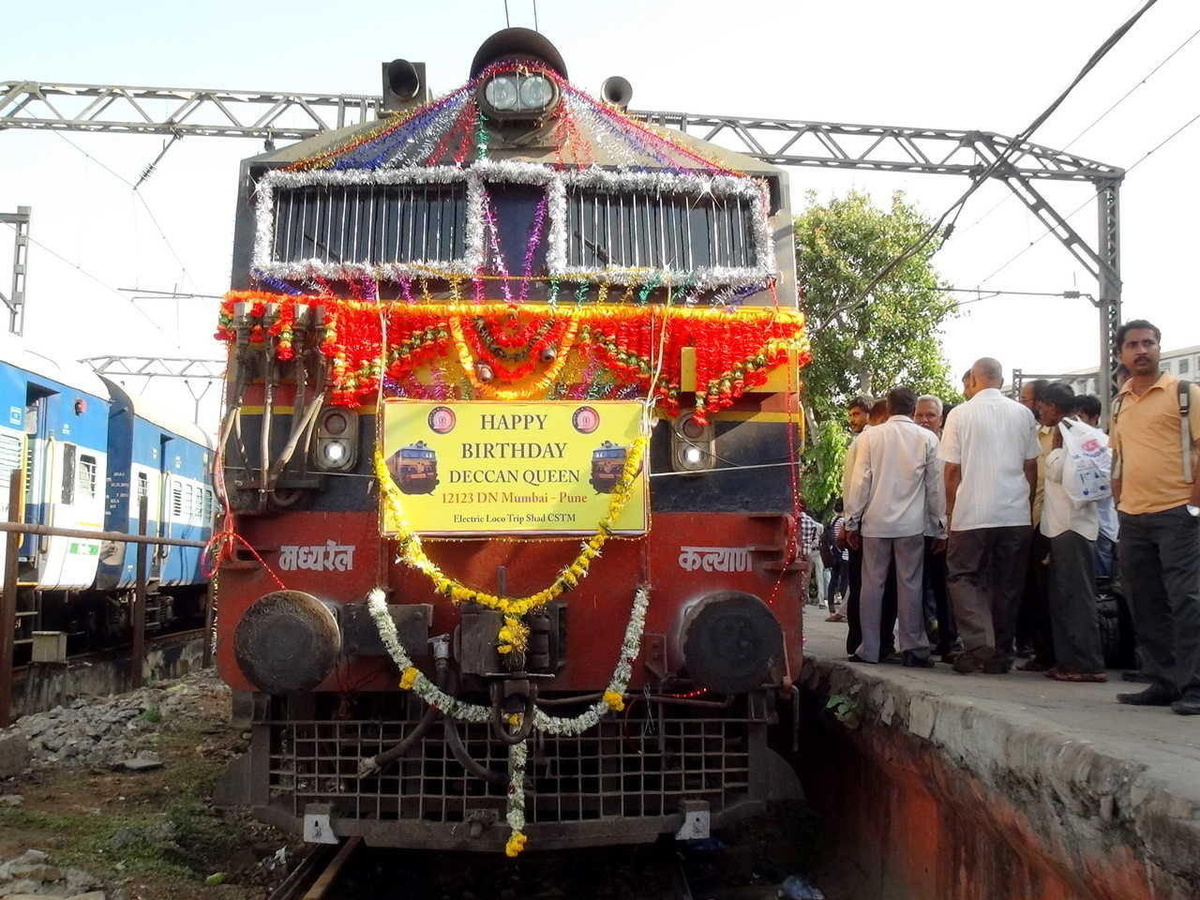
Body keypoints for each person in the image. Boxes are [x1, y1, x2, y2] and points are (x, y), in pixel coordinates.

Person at [1109, 320, 1200, 714]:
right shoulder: (1120, 402)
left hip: (1178, 511)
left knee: (1187, 601)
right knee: (1144, 602)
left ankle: (1195, 684)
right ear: (1121, 355)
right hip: (1133, 515)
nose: (1142, 350)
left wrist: (1194, 504)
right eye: (1133, 345)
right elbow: (1118, 459)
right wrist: (1119, 502)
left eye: (1149, 343)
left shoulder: (1184, 393)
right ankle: (1165, 681)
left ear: (1159, 348)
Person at [940, 358, 1041, 675]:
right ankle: (1000, 654)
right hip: (1014, 513)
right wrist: (1024, 501)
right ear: (999, 379)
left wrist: (950, 510)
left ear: (972, 380)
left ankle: (979, 641)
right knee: (1007, 583)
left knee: (963, 576)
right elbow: (1031, 466)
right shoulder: (1023, 413)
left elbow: (952, 470)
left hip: (972, 512)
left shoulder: (959, 414)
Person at [845, 387, 944, 666]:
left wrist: (852, 520)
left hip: (875, 523)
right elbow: (934, 488)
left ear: (887, 408)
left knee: (871, 585)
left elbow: (860, 481)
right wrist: (940, 526)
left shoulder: (870, 437)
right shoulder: (927, 439)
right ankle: (914, 648)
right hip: (911, 525)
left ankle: (870, 648)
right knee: (910, 585)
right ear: (914, 410)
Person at [1038, 382, 1106, 682]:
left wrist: (1053, 451)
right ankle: (1069, 661)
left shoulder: (1067, 433)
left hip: (1070, 525)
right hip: (1069, 524)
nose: (1040, 412)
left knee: (1076, 596)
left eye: (1042, 407)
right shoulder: (1078, 430)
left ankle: (1086, 663)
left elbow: (1059, 472)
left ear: (1052, 406)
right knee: (1064, 595)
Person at [916, 394, 956, 657]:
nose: (924, 420)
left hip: (944, 526)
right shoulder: (910, 444)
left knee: (945, 587)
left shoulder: (950, 446)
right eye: (919, 415)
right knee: (917, 587)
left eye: (930, 415)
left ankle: (950, 640)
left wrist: (946, 526)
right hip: (914, 527)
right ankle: (924, 638)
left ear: (940, 418)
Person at [1073, 393, 1119, 578]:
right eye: (1074, 418)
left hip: (1101, 526)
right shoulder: (1073, 443)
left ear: (1095, 418)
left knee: (1101, 583)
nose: (1078, 423)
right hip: (1080, 526)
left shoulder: (1103, 444)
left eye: (1082, 418)